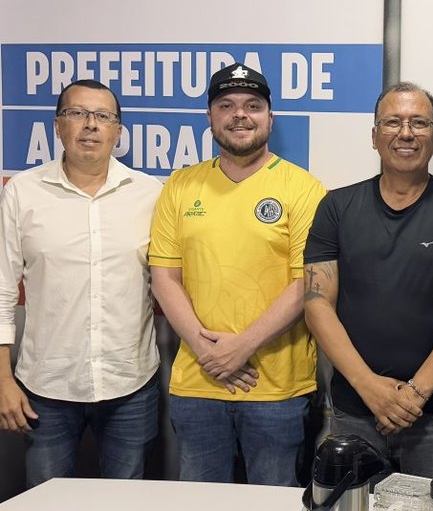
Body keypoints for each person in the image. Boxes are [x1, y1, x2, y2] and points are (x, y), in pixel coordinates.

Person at [302, 82, 433, 478]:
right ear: (374, 136)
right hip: (355, 411)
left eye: (419, 123)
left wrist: (415, 394)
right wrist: (369, 388)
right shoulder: (336, 207)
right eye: (393, 122)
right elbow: (316, 304)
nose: (406, 133)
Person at [148, 63, 325, 486]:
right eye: (226, 105)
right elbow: (164, 277)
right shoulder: (180, 186)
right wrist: (210, 351)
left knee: (274, 498)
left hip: (277, 388)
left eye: (252, 105)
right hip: (198, 381)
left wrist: (242, 345)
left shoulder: (303, 188)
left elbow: (308, 282)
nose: (239, 115)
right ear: (210, 118)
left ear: (270, 117)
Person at [0, 79, 161, 487]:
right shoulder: (22, 192)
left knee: (126, 501)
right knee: (46, 500)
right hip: (46, 388)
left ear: (118, 131)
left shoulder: (149, 194)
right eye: (77, 113)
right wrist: (3, 379)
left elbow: (170, 281)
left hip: (131, 385)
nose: (90, 125)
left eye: (103, 116)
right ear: (58, 126)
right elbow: (2, 290)